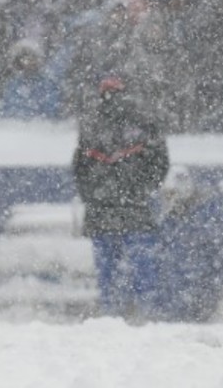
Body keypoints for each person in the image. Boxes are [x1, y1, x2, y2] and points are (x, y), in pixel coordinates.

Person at [72, 74, 170, 321]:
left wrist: (133, 190)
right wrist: (99, 194)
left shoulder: (139, 124)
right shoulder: (94, 125)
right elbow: (81, 166)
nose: (111, 99)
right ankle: (124, 314)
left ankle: (135, 314)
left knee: (128, 266)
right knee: (120, 267)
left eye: (115, 93)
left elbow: (159, 163)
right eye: (107, 93)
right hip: (115, 209)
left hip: (122, 208)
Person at [154, 166, 223, 323]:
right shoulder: (167, 221)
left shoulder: (212, 215)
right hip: (171, 302)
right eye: (166, 196)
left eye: (172, 194)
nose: (169, 200)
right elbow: (157, 258)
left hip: (202, 295)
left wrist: (213, 286)